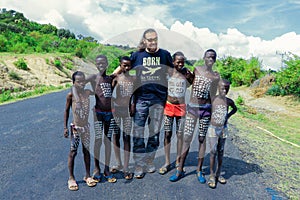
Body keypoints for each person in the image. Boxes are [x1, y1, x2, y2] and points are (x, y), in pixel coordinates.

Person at [169, 49, 220, 183]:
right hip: (192, 109)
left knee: (201, 139)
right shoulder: (196, 69)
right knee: (187, 138)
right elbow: (187, 80)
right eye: (208, 57)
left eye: (213, 58)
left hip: (205, 111)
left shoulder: (215, 76)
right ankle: (179, 169)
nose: (210, 59)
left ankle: (199, 170)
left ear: (215, 60)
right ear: (204, 57)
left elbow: (213, 95)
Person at [130, 28, 174, 179]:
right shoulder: (136, 56)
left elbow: (174, 73)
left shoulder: (165, 55)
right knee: (138, 132)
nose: (153, 42)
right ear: (144, 41)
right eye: (150, 40)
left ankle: (149, 161)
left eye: (155, 39)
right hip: (141, 99)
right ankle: (138, 164)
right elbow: (124, 70)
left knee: (154, 133)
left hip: (158, 100)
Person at [158, 51, 193, 175]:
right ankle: (167, 162)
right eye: (178, 61)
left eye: (182, 61)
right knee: (167, 134)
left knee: (180, 135)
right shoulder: (169, 72)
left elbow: (192, 83)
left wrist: (190, 76)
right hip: (169, 106)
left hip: (181, 108)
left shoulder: (186, 73)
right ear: (173, 61)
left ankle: (178, 159)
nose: (180, 64)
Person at [85, 55, 117, 183]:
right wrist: (86, 93)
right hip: (98, 114)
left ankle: (107, 169)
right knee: (98, 140)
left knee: (108, 141)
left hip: (110, 114)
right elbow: (79, 81)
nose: (101, 65)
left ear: (107, 64)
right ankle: (97, 169)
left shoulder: (110, 78)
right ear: (95, 64)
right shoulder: (93, 78)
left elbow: (121, 70)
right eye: (98, 63)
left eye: (103, 63)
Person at [63, 71, 97, 191]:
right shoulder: (70, 95)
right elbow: (66, 111)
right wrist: (65, 127)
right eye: (78, 82)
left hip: (86, 127)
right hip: (75, 128)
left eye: (83, 81)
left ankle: (87, 176)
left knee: (86, 151)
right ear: (73, 83)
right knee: (73, 152)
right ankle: (71, 178)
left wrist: (91, 80)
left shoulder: (87, 93)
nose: (81, 83)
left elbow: (97, 90)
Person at [207, 79, 237, 188]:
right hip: (213, 128)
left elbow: (235, 109)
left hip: (223, 128)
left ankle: (218, 174)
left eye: (226, 89)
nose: (224, 90)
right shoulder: (213, 99)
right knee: (213, 151)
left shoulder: (229, 101)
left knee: (220, 151)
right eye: (222, 88)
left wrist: (228, 116)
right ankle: (211, 175)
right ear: (218, 88)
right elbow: (206, 110)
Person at [110, 56, 135, 180]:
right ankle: (118, 162)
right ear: (120, 65)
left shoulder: (133, 79)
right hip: (117, 111)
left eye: (129, 65)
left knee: (126, 137)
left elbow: (135, 94)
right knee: (116, 136)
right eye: (124, 65)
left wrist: (132, 104)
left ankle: (126, 166)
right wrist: (113, 103)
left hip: (127, 112)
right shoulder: (116, 78)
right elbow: (109, 92)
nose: (126, 67)